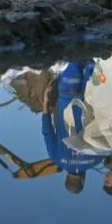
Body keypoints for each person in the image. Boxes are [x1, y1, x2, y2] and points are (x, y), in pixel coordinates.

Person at [41, 61, 106, 194]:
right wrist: (46, 102)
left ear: (83, 180)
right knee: (72, 56)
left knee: (95, 59)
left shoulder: (96, 159)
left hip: (91, 98)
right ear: (67, 178)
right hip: (67, 98)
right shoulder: (57, 158)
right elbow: (47, 131)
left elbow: (105, 130)